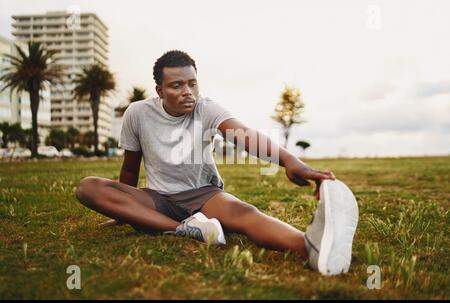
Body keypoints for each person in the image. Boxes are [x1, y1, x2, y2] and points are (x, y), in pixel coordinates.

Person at [75, 50, 357, 274]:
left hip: (203, 195)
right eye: (177, 85)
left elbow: (246, 136)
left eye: (192, 83)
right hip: (157, 199)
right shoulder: (137, 113)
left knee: (245, 212)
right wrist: (124, 211)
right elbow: (129, 167)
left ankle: (310, 247)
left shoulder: (206, 108)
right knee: (88, 187)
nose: (188, 91)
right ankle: (185, 230)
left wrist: (290, 161)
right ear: (159, 91)